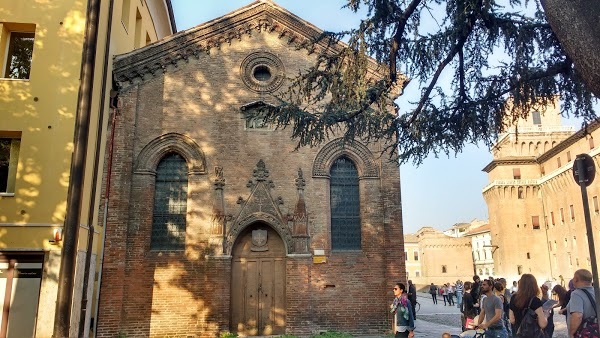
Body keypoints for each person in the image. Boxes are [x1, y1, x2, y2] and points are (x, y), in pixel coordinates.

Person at [567, 269, 596, 338]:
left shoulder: (577, 293)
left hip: (585, 332)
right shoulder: (597, 291)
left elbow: (577, 316)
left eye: (573, 277)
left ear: (576, 279)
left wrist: (571, 333)